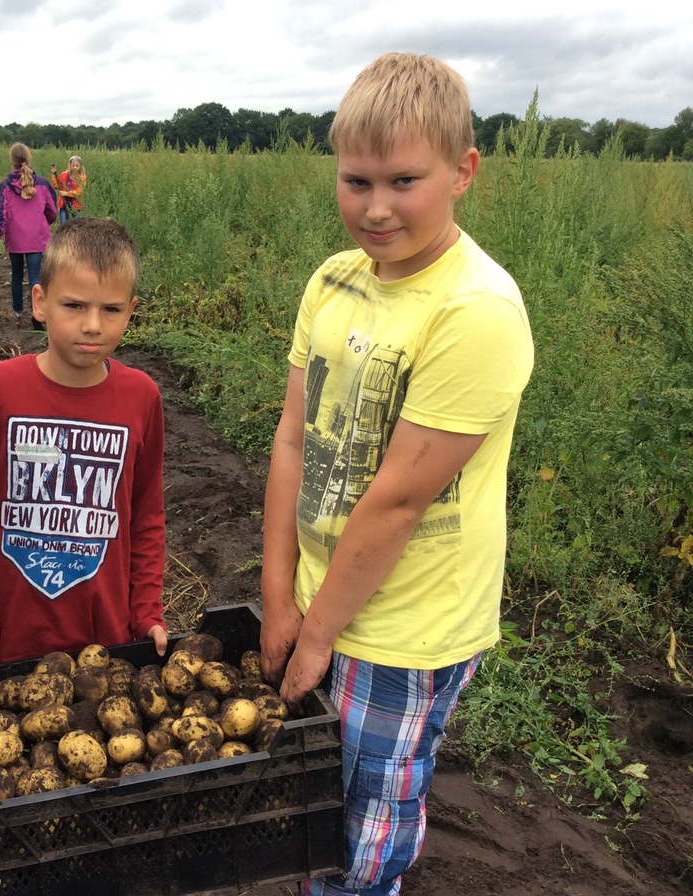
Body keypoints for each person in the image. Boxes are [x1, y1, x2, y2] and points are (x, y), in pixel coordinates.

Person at [258, 53, 534, 896]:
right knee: (310, 796)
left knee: (360, 827)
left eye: (404, 180)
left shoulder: (475, 311)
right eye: (357, 181)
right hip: (322, 592)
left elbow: (399, 500)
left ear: (463, 172)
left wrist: (314, 638)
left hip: (406, 625)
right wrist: (277, 596)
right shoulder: (334, 281)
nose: (376, 209)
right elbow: (292, 443)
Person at [0, 216, 169, 677]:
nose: (92, 325)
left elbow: (146, 516)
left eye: (111, 310)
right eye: (74, 305)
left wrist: (146, 612)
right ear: (40, 302)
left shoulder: (141, 397)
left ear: (131, 310)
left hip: (105, 643)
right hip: (11, 642)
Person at [0, 142, 57, 328]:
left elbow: (0, 211)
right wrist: (44, 222)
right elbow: (52, 210)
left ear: (12, 160)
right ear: (28, 158)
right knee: (36, 275)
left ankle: (17, 311)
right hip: (36, 237)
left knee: (17, 275)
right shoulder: (42, 184)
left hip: (16, 238)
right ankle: (38, 314)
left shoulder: (6, 185)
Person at [50, 155, 87, 224]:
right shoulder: (64, 175)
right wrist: (53, 175)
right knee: (63, 224)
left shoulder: (82, 178)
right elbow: (57, 186)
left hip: (76, 206)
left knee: (76, 225)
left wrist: (66, 193)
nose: (74, 167)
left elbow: (79, 192)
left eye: (77, 166)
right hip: (64, 204)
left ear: (80, 166)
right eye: (73, 165)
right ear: (70, 165)